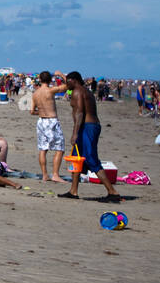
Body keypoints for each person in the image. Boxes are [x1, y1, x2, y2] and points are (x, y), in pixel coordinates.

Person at [60, 70, 121, 202]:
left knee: (91, 159)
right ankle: (73, 191)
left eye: (67, 81)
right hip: (89, 127)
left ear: (74, 80)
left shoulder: (77, 91)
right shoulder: (85, 91)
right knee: (76, 159)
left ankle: (112, 192)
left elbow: (80, 112)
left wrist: (75, 133)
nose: (66, 84)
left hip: (87, 127)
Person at [30, 70, 68, 183]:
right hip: (51, 120)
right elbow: (68, 86)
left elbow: (32, 111)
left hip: (41, 121)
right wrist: (61, 75)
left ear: (40, 80)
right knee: (60, 148)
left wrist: (41, 111)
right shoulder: (51, 90)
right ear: (50, 80)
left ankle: (45, 175)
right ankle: (55, 174)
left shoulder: (35, 94)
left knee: (43, 149)